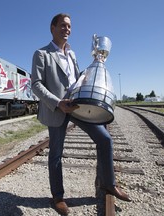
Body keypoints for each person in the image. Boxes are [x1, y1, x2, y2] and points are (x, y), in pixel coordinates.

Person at [31, 13, 131, 215]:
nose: (67, 29)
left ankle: (108, 184)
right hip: (57, 108)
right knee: (56, 155)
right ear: (52, 27)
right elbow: (36, 85)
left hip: (77, 106)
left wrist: (95, 68)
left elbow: (76, 79)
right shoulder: (41, 54)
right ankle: (58, 197)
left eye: (69, 26)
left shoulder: (72, 54)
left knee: (105, 139)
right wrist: (58, 103)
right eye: (62, 25)